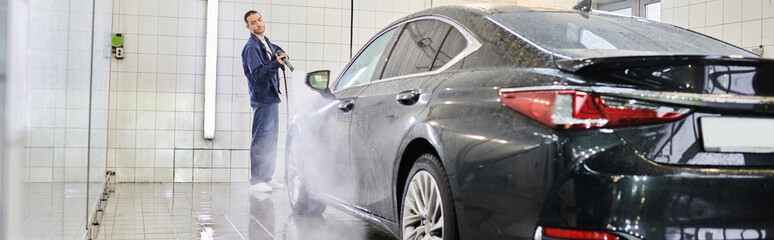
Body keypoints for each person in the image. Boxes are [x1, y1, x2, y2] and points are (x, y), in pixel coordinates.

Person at [242, 10, 287, 192]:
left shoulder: (265, 43)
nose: (258, 24)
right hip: (262, 98)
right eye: (253, 23)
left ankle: (266, 177)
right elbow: (259, 74)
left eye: (259, 20)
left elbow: (274, 50)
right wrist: (276, 63)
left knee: (271, 138)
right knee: (261, 139)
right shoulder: (251, 47)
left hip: (272, 96)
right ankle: (256, 180)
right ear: (248, 27)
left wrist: (281, 54)